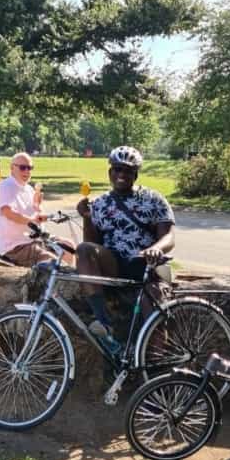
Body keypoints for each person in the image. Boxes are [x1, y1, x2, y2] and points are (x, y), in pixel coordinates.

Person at [75, 145, 175, 349]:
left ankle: (158, 365)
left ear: (135, 174)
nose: (121, 174)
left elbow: (169, 236)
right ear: (110, 172)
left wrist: (156, 249)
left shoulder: (153, 199)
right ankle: (103, 321)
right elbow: (93, 244)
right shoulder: (100, 203)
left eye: (127, 170)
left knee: (154, 317)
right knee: (84, 249)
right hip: (114, 264)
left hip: (144, 264)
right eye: (117, 169)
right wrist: (87, 218)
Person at [0, 152, 74, 267]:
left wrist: (39, 209)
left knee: (68, 246)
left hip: (35, 241)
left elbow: (36, 217)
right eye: (23, 168)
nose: (27, 171)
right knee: (53, 261)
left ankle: (67, 283)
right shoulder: (6, 186)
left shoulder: (29, 189)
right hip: (15, 247)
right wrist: (32, 221)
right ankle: (58, 283)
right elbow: (8, 213)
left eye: (30, 168)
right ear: (12, 168)